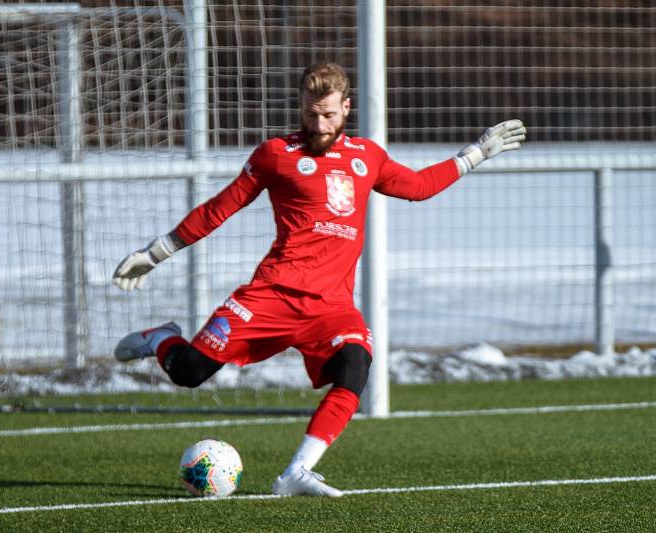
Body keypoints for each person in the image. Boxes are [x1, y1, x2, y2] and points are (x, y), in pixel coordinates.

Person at [111, 62, 525, 497]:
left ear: (346, 107)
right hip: (270, 296)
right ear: (301, 107)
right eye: (311, 113)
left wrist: (474, 154)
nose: (319, 123)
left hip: (330, 306)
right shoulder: (275, 155)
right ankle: (162, 338)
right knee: (189, 373)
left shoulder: (368, 158)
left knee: (356, 365)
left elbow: (419, 186)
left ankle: (296, 472)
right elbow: (220, 208)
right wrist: (155, 253)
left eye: (328, 114)